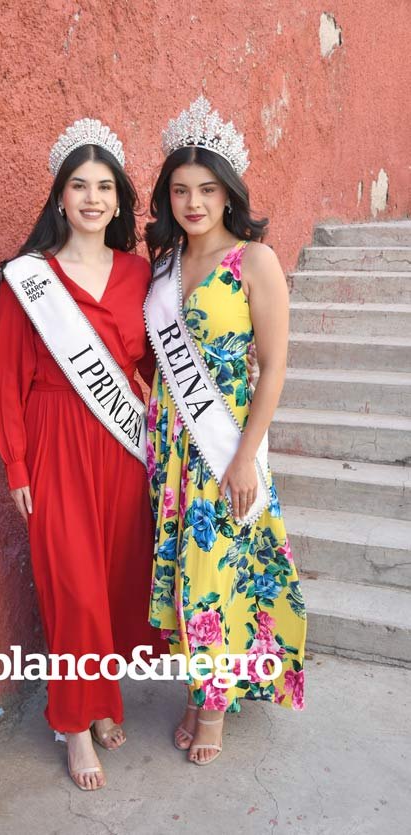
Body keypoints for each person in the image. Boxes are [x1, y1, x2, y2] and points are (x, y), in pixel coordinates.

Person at [0, 119, 165, 791]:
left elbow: (150, 362)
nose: (92, 198)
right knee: (74, 589)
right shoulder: (28, 278)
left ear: (119, 201)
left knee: (114, 582)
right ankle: (74, 725)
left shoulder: (139, 273)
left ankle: (101, 698)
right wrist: (16, 464)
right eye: (79, 186)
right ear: (59, 197)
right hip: (54, 440)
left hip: (120, 449)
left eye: (104, 187)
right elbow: (5, 377)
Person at [144, 97, 307, 766]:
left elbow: (273, 367)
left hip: (223, 443)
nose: (193, 202)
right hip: (170, 449)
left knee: (218, 570)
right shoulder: (164, 266)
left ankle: (212, 707)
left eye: (207, 189)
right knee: (185, 571)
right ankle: (196, 691)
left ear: (228, 192)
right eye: (180, 189)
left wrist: (243, 457)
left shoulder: (254, 261)